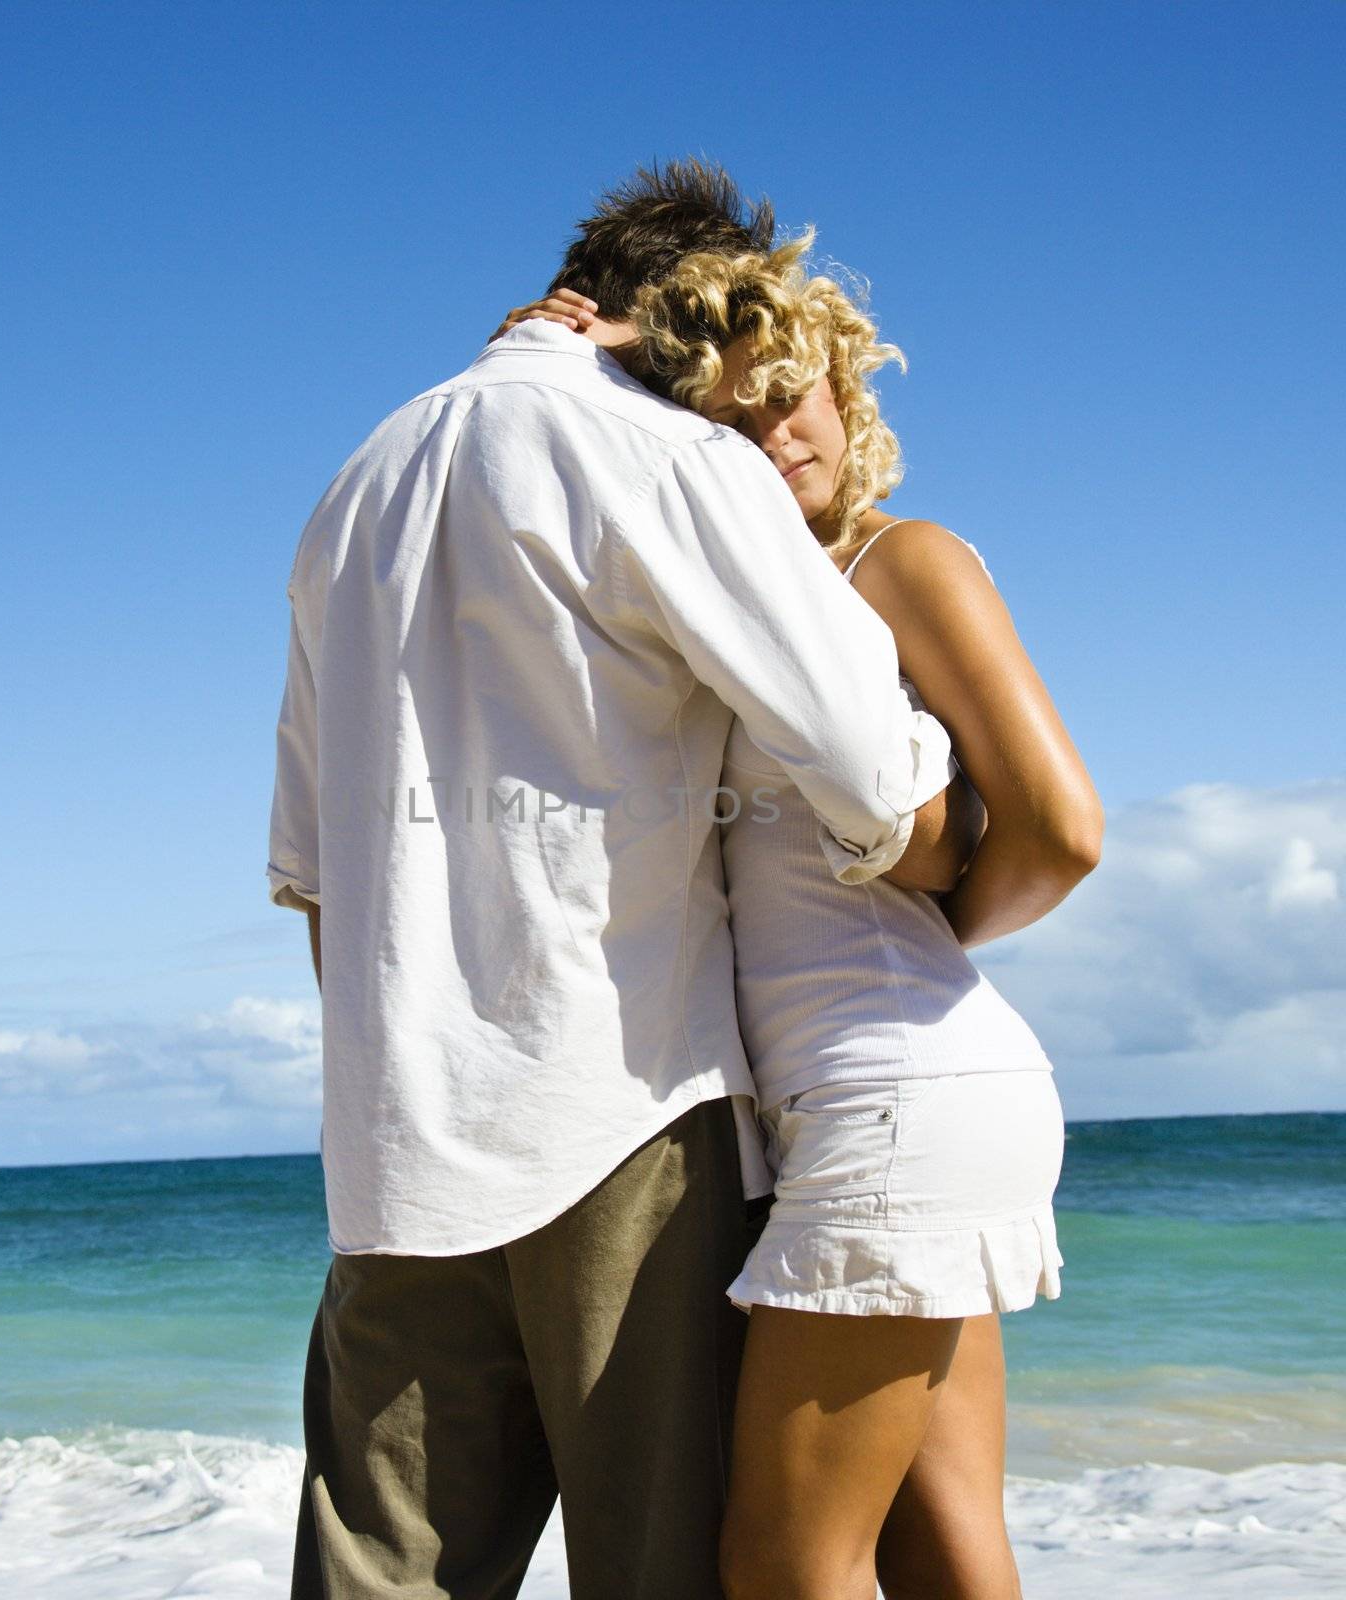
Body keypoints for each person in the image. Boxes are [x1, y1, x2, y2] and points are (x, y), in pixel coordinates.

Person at [267, 162, 983, 1600]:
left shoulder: (358, 482)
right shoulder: (659, 450)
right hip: (623, 1119)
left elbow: (318, 877)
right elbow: (867, 763)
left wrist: (397, 1094)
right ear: (676, 314)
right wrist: (950, 849)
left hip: (397, 1149)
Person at [501, 236, 1104, 1599]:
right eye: (731, 409)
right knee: (937, 1543)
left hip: (900, 1093)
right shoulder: (747, 608)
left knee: (780, 1565)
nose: (777, 431)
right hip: (884, 1096)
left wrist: (943, 895)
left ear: (846, 387)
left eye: (795, 392)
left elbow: (1064, 830)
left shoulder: (899, 562)